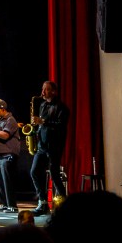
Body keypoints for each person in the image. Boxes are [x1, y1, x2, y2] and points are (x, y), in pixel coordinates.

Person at [29, 80, 70, 215]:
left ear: (53, 91)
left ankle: (64, 205)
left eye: (46, 89)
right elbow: (41, 125)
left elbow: (60, 125)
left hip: (54, 146)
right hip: (42, 145)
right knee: (34, 171)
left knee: (54, 175)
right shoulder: (42, 105)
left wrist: (43, 121)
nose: (43, 92)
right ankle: (42, 202)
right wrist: (35, 129)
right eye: (43, 89)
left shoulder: (62, 107)